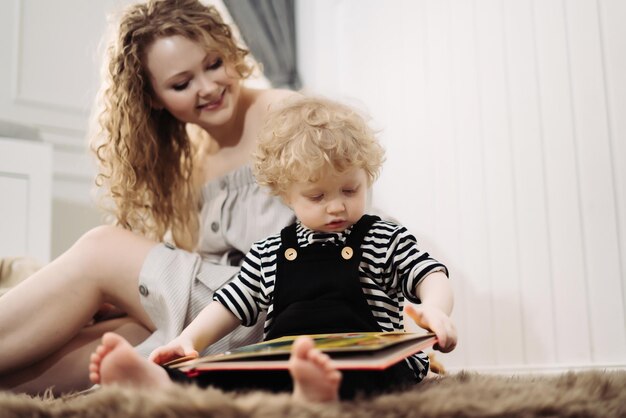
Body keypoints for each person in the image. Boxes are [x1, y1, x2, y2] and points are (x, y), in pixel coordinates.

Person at [0, 0, 297, 395]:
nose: (208, 88)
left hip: (271, 307)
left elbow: (348, 218)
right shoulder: (191, 156)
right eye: (182, 83)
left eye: (213, 64)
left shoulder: (287, 115)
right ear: (154, 97)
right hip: (216, 314)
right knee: (104, 339)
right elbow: (198, 264)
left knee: (100, 249)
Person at [88, 96, 457, 403]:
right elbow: (229, 303)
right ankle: (160, 384)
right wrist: (187, 340)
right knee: (231, 377)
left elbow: (429, 273)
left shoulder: (381, 237)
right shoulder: (270, 251)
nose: (336, 206)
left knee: (372, 377)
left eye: (350, 190)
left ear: (367, 177)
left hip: (372, 364)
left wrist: (436, 311)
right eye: (317, 196)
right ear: (286, 195)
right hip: (285, 360)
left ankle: (316, 391)